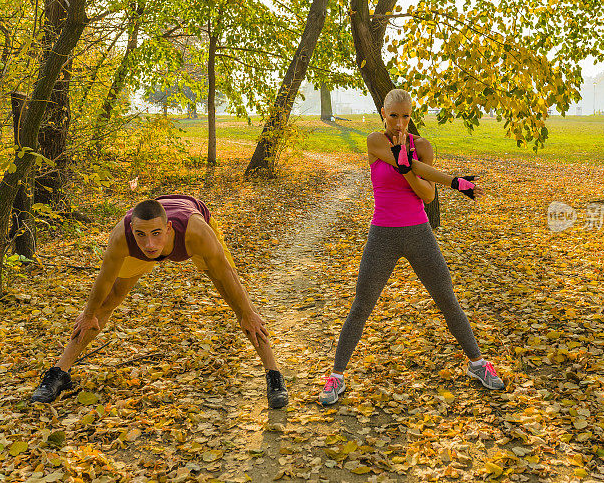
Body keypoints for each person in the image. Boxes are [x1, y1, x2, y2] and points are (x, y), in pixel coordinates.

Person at [318, 89, 504, 405]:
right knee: (362, 305)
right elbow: (415, 170)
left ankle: (477, 364)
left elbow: (427, 194)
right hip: (383, 235)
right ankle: (335, 377)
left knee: (447, 298)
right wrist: (454, 181)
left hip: (419, 233)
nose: (400, 122)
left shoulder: (423, 147)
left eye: (406, 116)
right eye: (394, 115)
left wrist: (410, 166)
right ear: (383, 113)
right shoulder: (375, 141)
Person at [31, 195, 288, 409]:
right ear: (132, 230)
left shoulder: (197, 233)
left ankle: (273, 374)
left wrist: (247, 312)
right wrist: (88, 313)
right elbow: (104, 279)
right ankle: (58, 373)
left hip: (193, 227)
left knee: (240, 305)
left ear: (168, 229)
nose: (149, 244)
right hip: (152, 231)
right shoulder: (122, 237)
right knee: (105, 303)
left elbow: (226, 273)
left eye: (156, 234)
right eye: (141, 235)